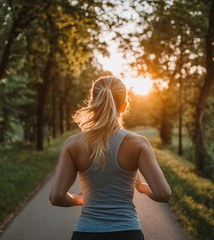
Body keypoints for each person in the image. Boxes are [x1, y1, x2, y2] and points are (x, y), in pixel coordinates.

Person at [49, 76, 171, 240]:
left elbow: (56, 197)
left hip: (86, 233)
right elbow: (163, 194)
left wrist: (81, 198)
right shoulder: (138, 143)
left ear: (92, 103)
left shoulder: (73, 144)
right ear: (124, 106)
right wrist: (141, 186)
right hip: (128, 232)